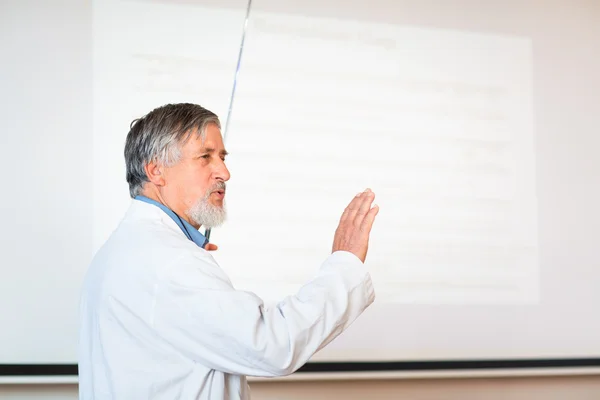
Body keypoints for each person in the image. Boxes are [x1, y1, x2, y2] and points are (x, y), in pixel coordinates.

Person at [78, 103, 379, 399]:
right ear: (156, 171)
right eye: (205, 157)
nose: (224, 172)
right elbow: (275, 345)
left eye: (222, 157)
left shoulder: (129, 250)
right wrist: (346, 262)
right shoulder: (170, 262)